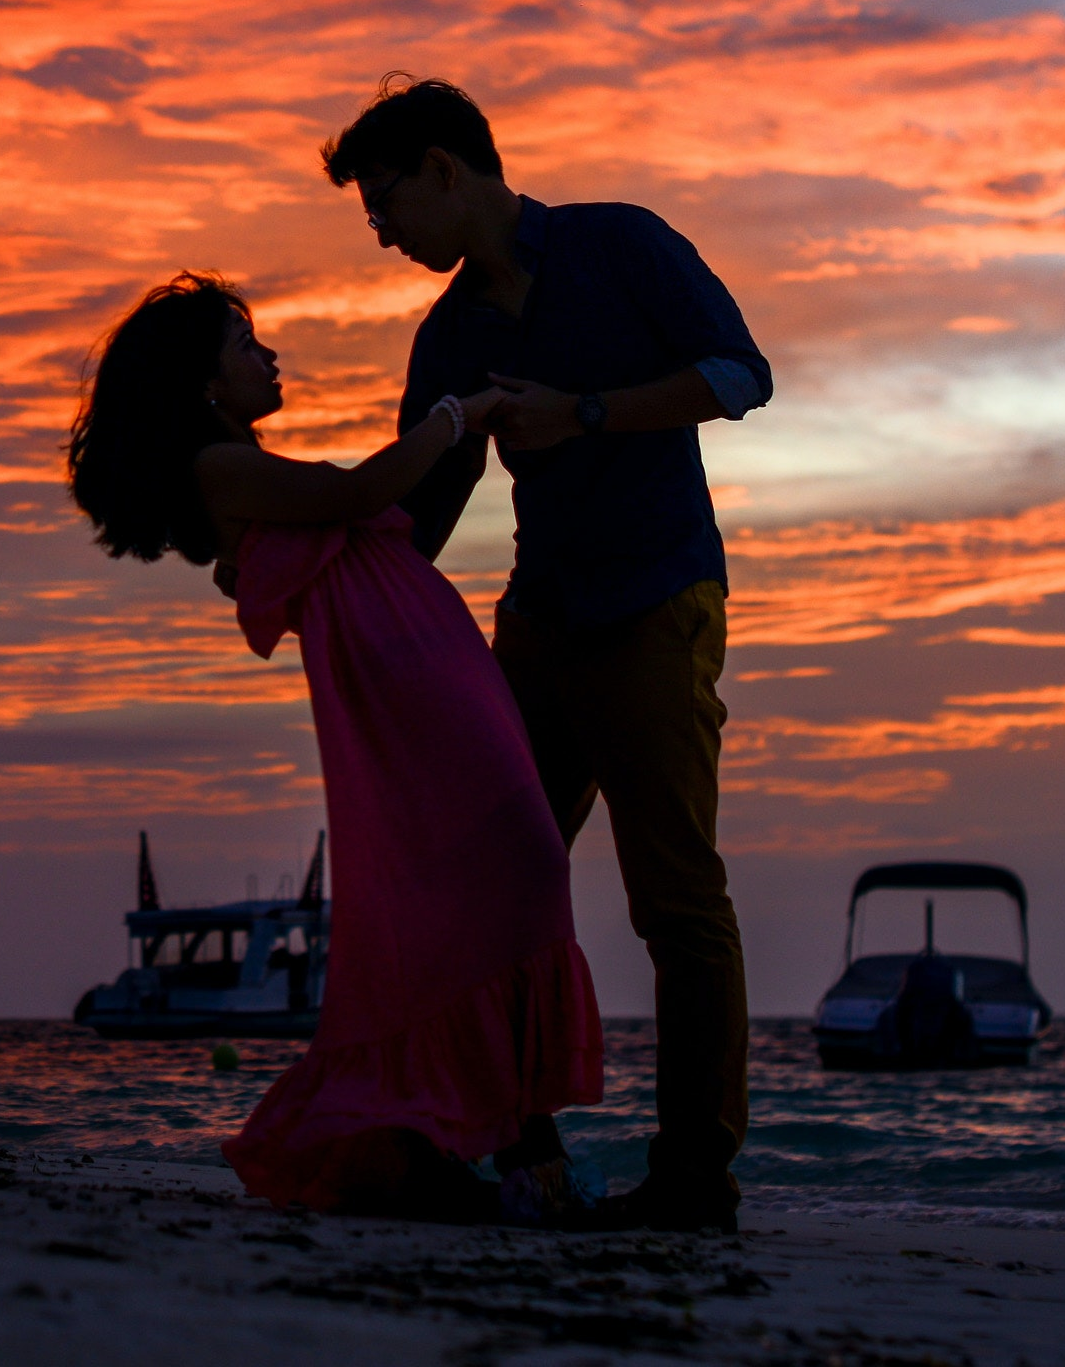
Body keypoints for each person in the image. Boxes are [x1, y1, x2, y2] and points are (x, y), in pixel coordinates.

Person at [321, 76, 771, 1235]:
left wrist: (581, 412)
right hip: (531, 627)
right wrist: (318, 578)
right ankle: (516, 1157)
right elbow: (422, 508)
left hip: (658, 604)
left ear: (442, 168)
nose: (379, 232)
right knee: (484, 886)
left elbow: (738, 376)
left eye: (383, 203)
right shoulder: (450, 334)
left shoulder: (618, 244)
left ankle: (692, 1181)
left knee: (674, 900)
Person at [66, 273, 603, 1222]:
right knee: (514, 872)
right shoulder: (218, 469)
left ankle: (465, 1144)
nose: (266, 356)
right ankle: (520, 1155)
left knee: (506, 878)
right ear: (202, 385)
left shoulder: (242, 469)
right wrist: (457, 412)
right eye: (244, 345)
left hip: (427, 668)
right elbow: (362, 490)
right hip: (406, 693)